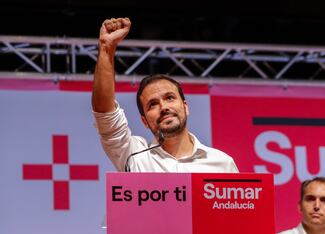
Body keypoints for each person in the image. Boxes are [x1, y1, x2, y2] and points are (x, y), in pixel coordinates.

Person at [92, 17, 238, 173]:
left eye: (170, 98)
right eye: (152, 104)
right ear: (144, 121)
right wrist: (107, 48)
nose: (163, 107)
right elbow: (104, 112)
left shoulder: (221, 164)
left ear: (185, 106)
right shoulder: (133, 156)